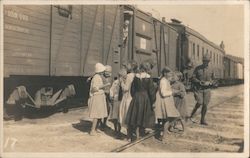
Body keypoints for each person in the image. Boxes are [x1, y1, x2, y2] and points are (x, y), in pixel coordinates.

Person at [125, 62, 156, 141]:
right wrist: (153, 101)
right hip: (145, 97)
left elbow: (132, 89)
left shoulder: (136, 77)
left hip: (136, 97)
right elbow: (151, 91)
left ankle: (134, 133)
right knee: (142, 115)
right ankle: (139, 133)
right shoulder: (148, 77)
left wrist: (135, 96)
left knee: (135, 115)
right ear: (147, 69)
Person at [154, 67, 180, 140]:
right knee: (168, 119)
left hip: (167, 101)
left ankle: (162, 133)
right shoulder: (163, 81)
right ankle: (164, 136)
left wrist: (171, 90)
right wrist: (172, 92)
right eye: (169, 73)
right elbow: (163, 93)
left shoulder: (165, 80)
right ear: (165, 73)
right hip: (164, 101)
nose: (170, 74)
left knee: (168, 118)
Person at [189, 53, 215, 125]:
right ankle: (192, 114)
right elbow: (193, 78)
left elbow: (214, 79)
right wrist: (199, 82)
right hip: (199, 89)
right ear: (202, 61)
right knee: (199, 102)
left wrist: (210, 83)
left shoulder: (211, 69)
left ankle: (202, 120)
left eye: (207, 61)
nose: (205, 62)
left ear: (209, 61)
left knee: (205, 104)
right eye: (204, 61)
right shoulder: (197, 68)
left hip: (207, 90)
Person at [88, 63, 110, 136]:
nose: (104, 72)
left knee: (99, 114)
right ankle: (92, 130)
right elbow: (94, 88)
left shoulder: (98, 76)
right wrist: (105, 86)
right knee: (96, 114)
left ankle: (96, 129)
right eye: (103, 70)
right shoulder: (96, 77)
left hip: (99, 96)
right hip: (97, 97)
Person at [119, 60, 137, 140]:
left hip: (127, 98)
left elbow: (125, 88)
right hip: (133, 98)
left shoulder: (129, 76)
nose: (125, 68)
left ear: (131, 67)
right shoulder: (136, 75)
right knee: (131, 117)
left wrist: (121, 82)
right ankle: (133, 135)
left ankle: (129, 136)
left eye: (127, 66)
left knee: (126, 117)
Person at [109, 69, 127, 139]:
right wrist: (111, 96)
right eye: (120, 77)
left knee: (120, 116)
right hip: (116, 100)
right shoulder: (115, 82)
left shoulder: (125, 83)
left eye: (123, 77)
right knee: (115, 116)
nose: (121, 78)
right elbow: (112, 89)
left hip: (122, 101)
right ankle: (116, 130)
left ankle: (119, 131)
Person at [101, 65, 112, 129]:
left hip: (108, 96)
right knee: (101, 110)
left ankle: (104, 122)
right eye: (106, 71)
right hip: (103, 95)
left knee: (108, 109)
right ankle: (100, 123)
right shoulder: (102, 77)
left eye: (109, 71)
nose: (107, 73)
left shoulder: (111, 78)